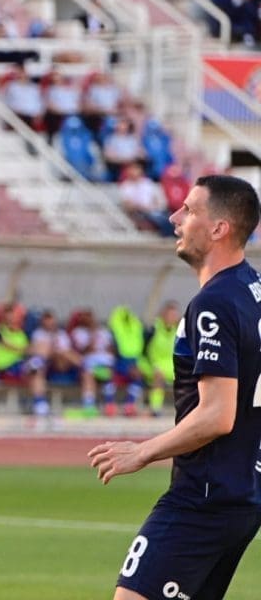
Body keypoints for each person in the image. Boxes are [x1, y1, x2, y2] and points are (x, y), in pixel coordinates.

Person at [89, 174, 261, 600]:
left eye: (189, 210)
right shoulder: (253, 290)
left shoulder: (214, 304)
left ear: (219, 228)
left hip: (204, 496)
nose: (174, 217)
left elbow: (218, 415)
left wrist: (141, 452)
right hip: (243, 493)